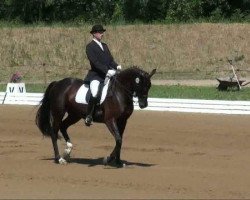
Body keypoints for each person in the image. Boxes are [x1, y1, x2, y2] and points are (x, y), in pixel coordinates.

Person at [84, 24, 121, 126]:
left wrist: (116, 66)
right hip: (96, 75)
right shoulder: (90, 47)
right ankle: (89, 116)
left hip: (108, 75)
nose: (102, 34)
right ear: (94, 34)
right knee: (95, 92)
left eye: (102, 32)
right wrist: (106, 71)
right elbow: (95, 63)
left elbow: (110, 60)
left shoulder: (104, 46)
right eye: (100, 32)